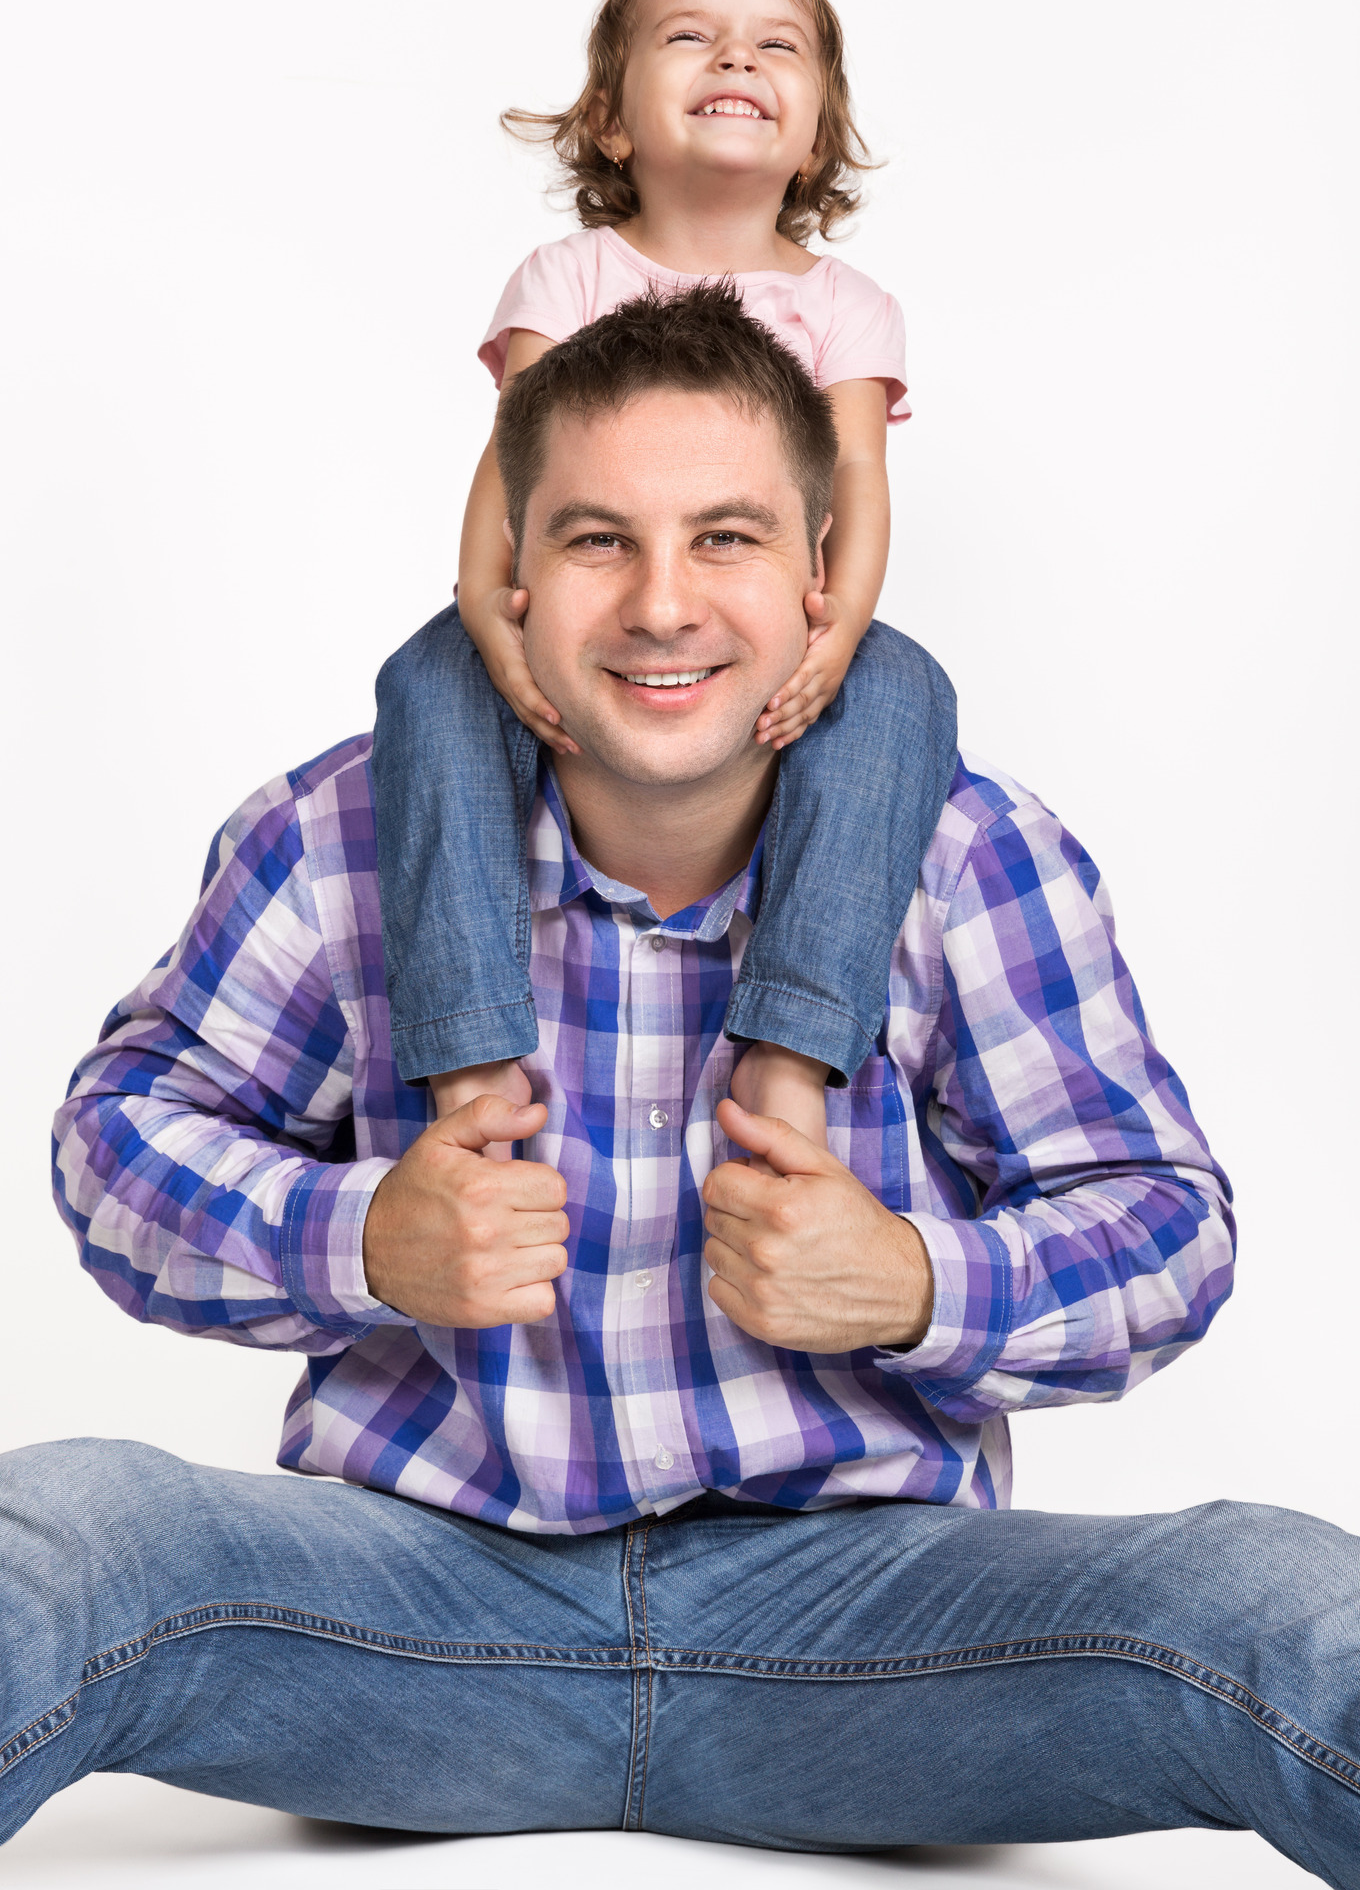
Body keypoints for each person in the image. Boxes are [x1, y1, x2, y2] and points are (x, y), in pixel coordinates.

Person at [18, 286, 1358, 1887]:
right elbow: (119, 1143)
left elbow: (1165, 1228)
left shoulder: (968, 853)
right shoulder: (338, 836)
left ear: (820, 580)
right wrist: (362, 1237)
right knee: (64, 1534)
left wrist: (918, 1281)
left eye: (726, 538)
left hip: (872, 1636)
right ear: (510, 576)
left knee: (1269, 1597)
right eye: (598, 541)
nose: (663, 606)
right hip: (411, 1618)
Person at [373, 0, 957, 1160]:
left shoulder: (844, 306)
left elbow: (857, 475)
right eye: (690, 35)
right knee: (426, 677)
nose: (735, 56)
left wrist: (841, 623)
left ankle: (794, 1048)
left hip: (779, 622)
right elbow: (511, 462)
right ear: (610, 121)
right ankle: (470, 1056)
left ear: (815, 136)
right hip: (561, 613)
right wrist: (483, 604)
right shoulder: (568, 276)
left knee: (904, 685)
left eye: (776, 45)